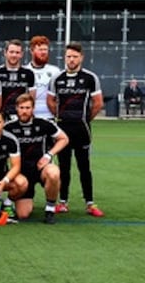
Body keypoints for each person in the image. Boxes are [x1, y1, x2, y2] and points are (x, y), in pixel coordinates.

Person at [47, 42, 104, 217]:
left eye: (75, 57)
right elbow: (51, 101)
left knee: (84, 167)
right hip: (63, 127)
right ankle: (63, 202)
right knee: (64, 167)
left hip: (82, 128)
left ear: (81, 58)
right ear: (65, 58)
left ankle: (90, 203)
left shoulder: (90, 78)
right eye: (68, 56)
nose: (71, 60)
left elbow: (98, 103)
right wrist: (60, 115)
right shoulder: (57, 78)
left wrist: (85, 119)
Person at [5, 93, 69, 224]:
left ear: (33, 108)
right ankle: (9, 202)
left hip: (41, 168)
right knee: (23, 214)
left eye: (28, 108)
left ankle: (50, 209)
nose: (24, 111)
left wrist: (49, 155)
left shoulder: (44, 124)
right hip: (21, 172)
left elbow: (64, 139)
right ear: (16, 108)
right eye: (21, 108)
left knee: (54, 172)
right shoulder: (9, 127)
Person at [0, 39, 36, 120]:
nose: (14, 55)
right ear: (5, 53)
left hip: (22, 116)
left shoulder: (29, 74)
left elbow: (31, 98)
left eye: (17, 52)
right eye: (11, 52)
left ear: (21, 54)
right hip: (2, 117)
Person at [26, 35, 61, 120]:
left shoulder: (55, 71)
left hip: (49, 117)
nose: (43, 52)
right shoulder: (25, 71)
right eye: (40, 50)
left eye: (45, 50)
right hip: (30, 117)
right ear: (32, 51)